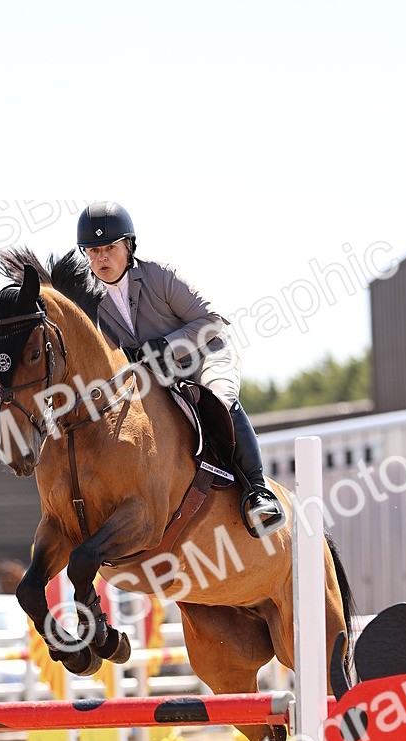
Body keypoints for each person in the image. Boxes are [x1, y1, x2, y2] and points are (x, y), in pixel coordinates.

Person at [76, 200, 286, 537]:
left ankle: (258, 493)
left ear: (128, 247)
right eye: (93, 250)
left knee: (219, 398)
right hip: (155, 377)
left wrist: (166, 345)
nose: (102, 257)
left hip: (204, 357)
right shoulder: (92, 301)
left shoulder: (160, 274)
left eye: (110, 248)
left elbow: (212, 322)